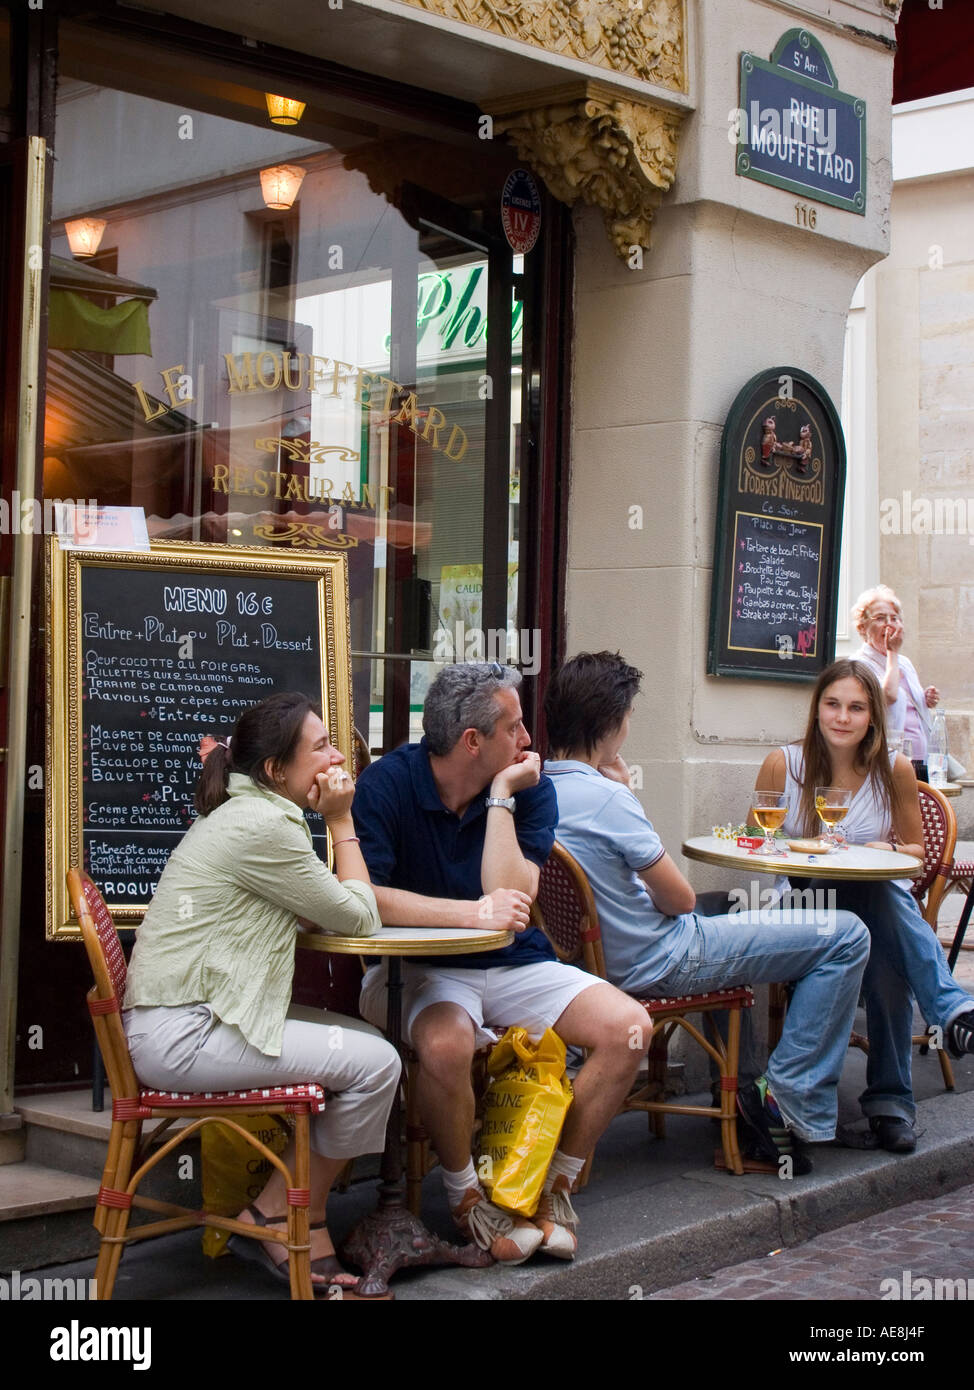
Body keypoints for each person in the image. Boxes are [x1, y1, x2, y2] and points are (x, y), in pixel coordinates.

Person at [351, 661, 650, 1264]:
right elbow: (363, 896)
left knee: (631, 1029)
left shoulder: (529, 787)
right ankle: (466, 1197)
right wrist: (466, 916)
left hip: (513, 963)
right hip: (419, 971)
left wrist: (499, 798)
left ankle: (551, 1186)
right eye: (514, 728)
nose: (527, 741)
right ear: (473, 741)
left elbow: (513, 896)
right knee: (444, 1048)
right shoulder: (387, 783)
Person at [542, 651, 871, 1172]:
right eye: (627, 716)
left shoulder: (533, 790)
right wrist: (625, 794)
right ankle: (781, 1103)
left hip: (588, 971)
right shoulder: (607, 799)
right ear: (610, 723)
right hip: (663, 961)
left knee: (728, 909)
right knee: (848, 933)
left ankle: (744, 1090)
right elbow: (680, 901)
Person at [122, 692, 401, 1298]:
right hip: (186, 1035)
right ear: (276, 771)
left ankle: (280, 1211)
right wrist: (343, 820)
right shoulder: (267, 824)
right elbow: (359, 917)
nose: (336, 755)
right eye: (322, 745)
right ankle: (281, 1216)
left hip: (181, 1021)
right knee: (379, 1063)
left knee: (370, 1045)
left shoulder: (243, 812)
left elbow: (307, 910)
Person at [755, 657, 974, 1153]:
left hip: (872, 908)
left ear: (873, 716)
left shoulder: (893, 769)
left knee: (884, 952)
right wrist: (799, 849)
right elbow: (755, 839)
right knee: (882, 914)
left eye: (855, 707)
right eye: (832, 704)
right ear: (816, 710)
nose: (842, 717)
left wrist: (887, 850)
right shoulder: (783, 764)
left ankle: (889, 1103)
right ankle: (940, 1027)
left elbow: (918, 857)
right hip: (805, 903)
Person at [851, 585, 940, 781]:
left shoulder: (904, 662)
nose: (889, 624)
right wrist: (892, 652)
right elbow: (888, 696)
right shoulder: (858, 664)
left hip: (919, 761)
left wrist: (924, 698)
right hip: (886, 762)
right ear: (862, 626)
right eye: (881, 618)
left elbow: (907, 705)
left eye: (894, 618)